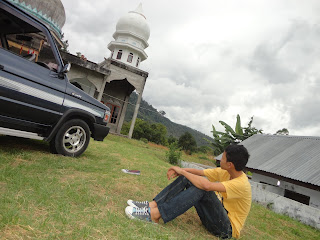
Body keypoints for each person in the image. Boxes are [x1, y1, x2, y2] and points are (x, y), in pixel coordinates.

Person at [125, 144, 251, 239]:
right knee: (189, 177)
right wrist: (180, 170)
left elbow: (206, 186)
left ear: (230, 164)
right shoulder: (226, 171)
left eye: (222, 158)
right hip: (214, 217)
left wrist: (182, 172)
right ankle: (152, 206)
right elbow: (200, 172)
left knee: (202, 188)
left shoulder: (241, 184)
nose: (219, 159)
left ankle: (155, 216)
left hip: (226, 229)